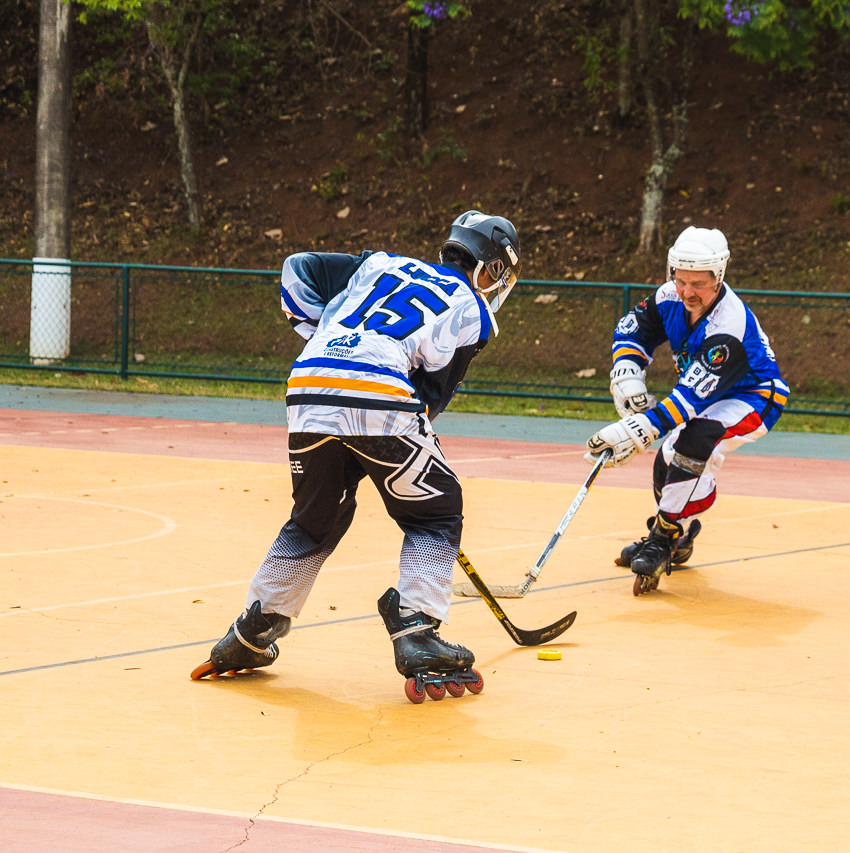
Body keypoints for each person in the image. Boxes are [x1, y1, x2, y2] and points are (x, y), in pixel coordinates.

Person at [191, 210, 522, 697]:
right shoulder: (474, 309)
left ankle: (254, 629)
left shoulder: (378, 264)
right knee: (435, 511)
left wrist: (325, 335)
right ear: (489, 268)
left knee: (314, 520)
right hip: (380, 393)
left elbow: (298, 267)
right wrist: (384, 428)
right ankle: (416, 626)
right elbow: (430, 398)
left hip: (308, 383)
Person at [585, 226, 788, 594]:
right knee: (666, 461)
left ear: (719, 278)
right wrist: (627, 371)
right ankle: (679, 535)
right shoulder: (669, 296)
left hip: (752, 396)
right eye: (680, 281)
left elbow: (688, 400)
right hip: (707, 393)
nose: (687, 292)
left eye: (698, 284)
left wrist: (636, 430)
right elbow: (633, 330)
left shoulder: (729, 326)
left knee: (695, 439)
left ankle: (662, 537)